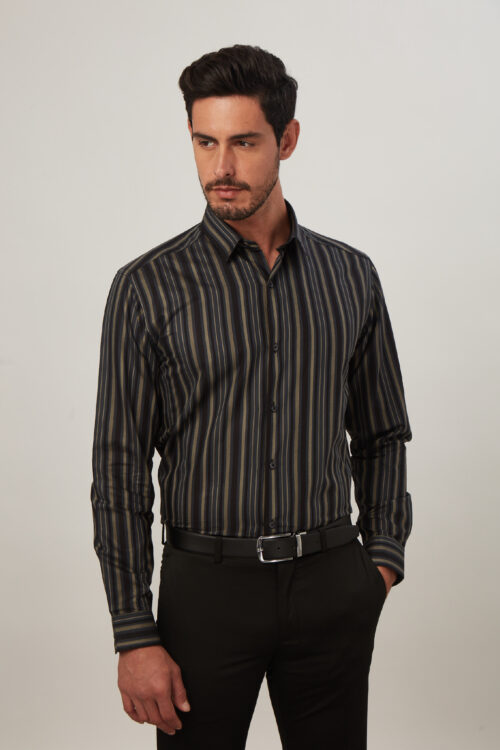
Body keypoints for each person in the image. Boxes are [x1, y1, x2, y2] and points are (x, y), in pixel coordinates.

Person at [90, 44, 413, 750]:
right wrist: (134, 631)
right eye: (204, 142)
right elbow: (119, 469)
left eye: (243, 142)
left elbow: (383, 432)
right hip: (205, 592)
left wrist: (381, 559)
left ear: (286, 140)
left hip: (332, 585)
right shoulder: (147, 288)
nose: (221, 167)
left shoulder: (350, 276)